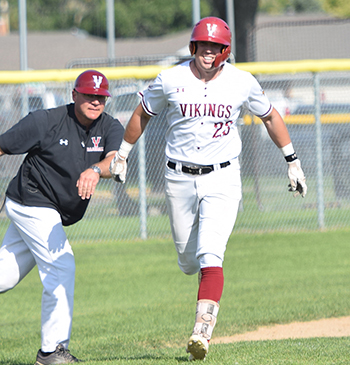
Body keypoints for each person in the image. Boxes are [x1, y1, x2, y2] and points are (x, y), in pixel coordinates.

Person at [110, 17, 307, 361]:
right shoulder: (170, 78)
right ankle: (198, 281)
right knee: (189, 262)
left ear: (225, 50)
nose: (207, 51)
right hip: (179, 177)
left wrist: (292, 161)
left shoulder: (241, 81)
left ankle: (202, 330)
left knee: (211, 253)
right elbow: (142, 113)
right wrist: (123, 154)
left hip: (223, 177)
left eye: (214, 46)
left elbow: (271, 116)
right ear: (193, 47)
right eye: (202, 45)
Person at [0, 70, 124, 365]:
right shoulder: (46, 121)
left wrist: (95, 170)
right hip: (31, 201)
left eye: (101, 97)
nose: (95, 101)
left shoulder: (109, 126)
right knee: (61, 266)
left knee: (5, 276)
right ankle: (51, 351)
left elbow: (115, 160)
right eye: (89, 94)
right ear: (74, 95)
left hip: (53, 211)